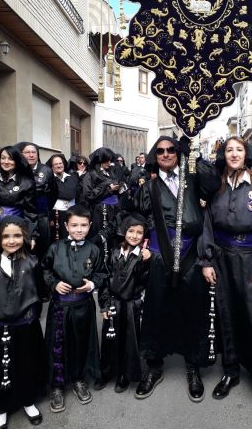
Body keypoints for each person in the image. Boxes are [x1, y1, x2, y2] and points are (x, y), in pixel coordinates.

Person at [200, 136, 252, 424]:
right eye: (229, 150)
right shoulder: (216, 185)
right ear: (223, 155)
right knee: (228, 315)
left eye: (239, 149)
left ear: (247, 153)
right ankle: (231, 371)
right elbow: (207, 223)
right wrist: (207, 260)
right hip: (222, 259)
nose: (234, 154)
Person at [133, 136, 221, 403]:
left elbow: (214, 183)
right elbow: (137, 215)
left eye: (171, 150)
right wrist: (142, 246)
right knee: (157, 309)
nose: (166, 154)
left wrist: (193, 155)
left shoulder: (192, 178)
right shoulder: (149, 186)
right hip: (160, 255)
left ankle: (193, 365)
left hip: (192, 255)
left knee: (192, 308)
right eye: (161, 151)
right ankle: (154, 366)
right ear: (154, 156)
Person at [42, 205, 105, 413]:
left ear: (90, 226)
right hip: (60, 306)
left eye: (84, 225)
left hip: (83, 306)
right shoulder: (55, 248)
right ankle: (58, 386)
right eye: (74, 225)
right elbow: (45, 270)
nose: (79, 229)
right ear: (66, 226)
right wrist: (53, 284)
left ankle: (78, 379)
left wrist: (92, 285)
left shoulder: (94, 250)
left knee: (80, 344)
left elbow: (101, 273)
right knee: (57, 345)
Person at [0, 216, 46, 429]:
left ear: (24, 236)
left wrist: (32, 314)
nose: (11, 240)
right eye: (6, 236)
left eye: (17, 235)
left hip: (26, 325)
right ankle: (0, 408)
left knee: (27, 364)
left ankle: (28, 401)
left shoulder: (33, 262)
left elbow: (40, 291)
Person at [96, 213, 151, 392]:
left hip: (131, 305)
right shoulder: (113, 253)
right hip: (114, 303)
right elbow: (104, 280)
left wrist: (146, 262)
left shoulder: (142, 257)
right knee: (109, 339)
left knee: (128, 341)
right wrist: (104, 304)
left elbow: (143, 281)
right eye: (131, 231)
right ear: (124, 232)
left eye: (139, 233)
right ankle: (106, 372)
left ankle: (124, 375)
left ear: (144, 236)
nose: (135, 236)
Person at [17, 142, 58, 298]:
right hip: (22, 217)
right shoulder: (18, 171)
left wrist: (45, 210)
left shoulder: (46, 171)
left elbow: (54, 193)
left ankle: (43, 290)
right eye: (27, 152)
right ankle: (25, 290)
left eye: (33, 152)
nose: (31, 155)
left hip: (41, 216)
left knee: (42, 253)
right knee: (24, 252)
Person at [0, 146, 38, 252]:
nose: (6, 162)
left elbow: (30, 212)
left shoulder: (27, 183)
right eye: (3, 158)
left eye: (10, 158)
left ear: (16, 160)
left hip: (16, 228)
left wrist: (32, 235)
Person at [82, 147, 125, 247]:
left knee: (115, 237)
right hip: (101, 211)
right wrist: (108, 189)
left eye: (110, 161)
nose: (109, 163)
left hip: (115, 209)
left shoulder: (111, 173)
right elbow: (88, 195)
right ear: (100, 161)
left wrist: (120, 188)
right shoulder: (90, 175)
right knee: (103, 237)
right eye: (106, 161)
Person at [46, 154, 77, 241]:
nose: (59, 166)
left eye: (60, 163)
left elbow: (77, 195)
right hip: (57, 215)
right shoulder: (49, 179)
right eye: (56, 164)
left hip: (71, 213)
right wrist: (50, 217)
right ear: (51, 167)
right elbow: (48, 199)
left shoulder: (72, 178)